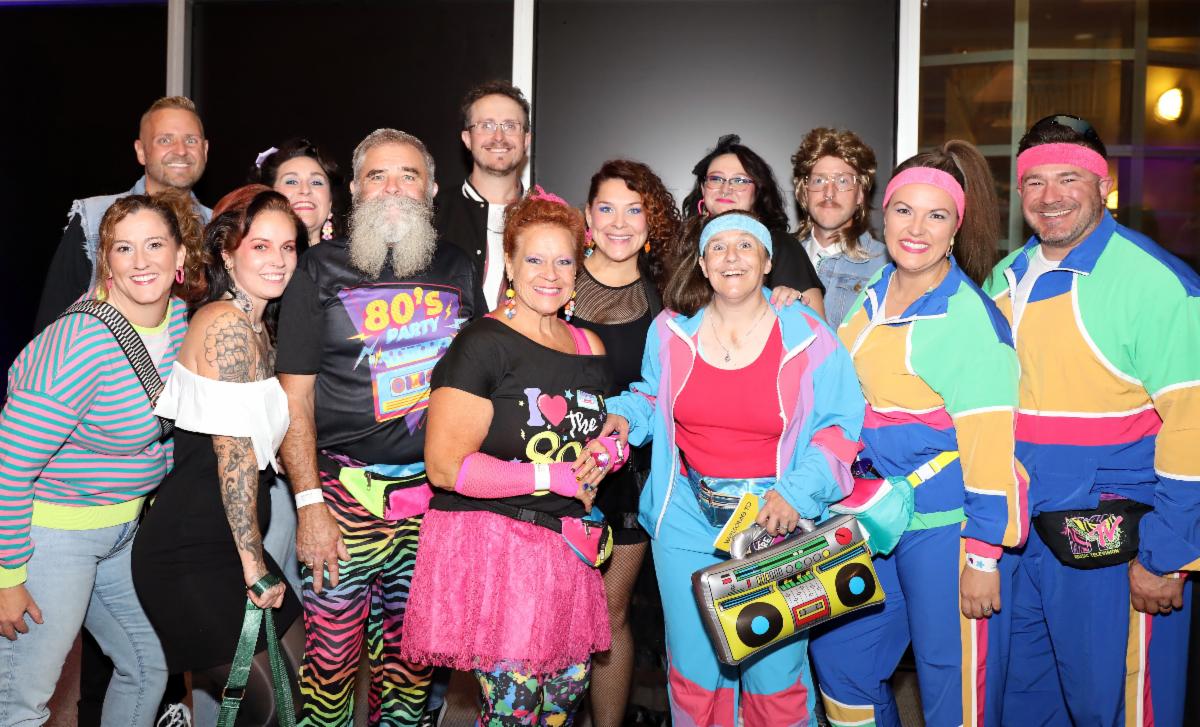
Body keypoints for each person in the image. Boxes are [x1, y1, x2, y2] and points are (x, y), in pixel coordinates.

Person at [602, 210, 864, 726]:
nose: (731, 257)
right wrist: (622, 416)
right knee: (695, 671)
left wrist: (797, 493)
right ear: (702, 264)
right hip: (685, 519)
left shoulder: (807, 334)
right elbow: (652, 396)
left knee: (774, 674)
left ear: (767, 262)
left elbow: (839, 428)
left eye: (746, 245)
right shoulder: (671, 330)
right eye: (718, 247)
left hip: (775, 521)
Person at [983, 115, 1199, 726]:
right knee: (1023, 703)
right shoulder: (1005, 278)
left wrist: (1168, 554)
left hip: (1112, 542)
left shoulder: (1156, 283)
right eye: (1035, 182)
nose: (1050, 196)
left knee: (1120, 706)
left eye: (1069, 178)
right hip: (1020, 540)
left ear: (1104, 186)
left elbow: (1192, 425)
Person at [807, 140, 1026, 727]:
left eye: (936, 215)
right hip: (874, 519)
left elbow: (991, 447)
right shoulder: (874, 292)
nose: (917, 228)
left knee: (954, 686)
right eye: (904, 210)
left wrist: (983, 557)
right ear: (884, 214)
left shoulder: (968, 319)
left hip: (948, 530)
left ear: (955, 227)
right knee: (842, 662)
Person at [276, 127, 483, 726]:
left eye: (407, 175)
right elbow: (294, 399)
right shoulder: (318, 268)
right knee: (331, 663)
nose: (392, 188)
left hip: (433, 500)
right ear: (357, 192)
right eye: (377, 176)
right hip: (341, 496)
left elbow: (479, 384)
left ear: (432, 190)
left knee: (414, 663)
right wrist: (309, 505)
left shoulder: (457, 266)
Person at [402, 189, 618, 726]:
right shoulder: (483, 343)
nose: (550, 274)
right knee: (514, 711)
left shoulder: (588, 346)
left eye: (563, 261)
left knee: (564, 700)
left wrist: (607, 451)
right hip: (499, 550)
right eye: (535, 259)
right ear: (511, 265)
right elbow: (446, 467)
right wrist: (555, 476)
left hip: (567, 552)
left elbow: (588, 432)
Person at [0, 194, 190, 726]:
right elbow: (9, 464)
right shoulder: (79, 343)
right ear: (106, 261)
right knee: (20, 704)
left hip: (124, 532)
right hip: (52, 537)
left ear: (180, 256)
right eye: (123, 249)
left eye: (155, 245)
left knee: (149, 665)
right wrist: (8, 575)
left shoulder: (180, 321)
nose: (141, 261)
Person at [133, 186, 307, 725]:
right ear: (228, 254)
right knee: (272, 709)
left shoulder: (258, 326)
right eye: (261, 246)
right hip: (192, 552)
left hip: (229, 542)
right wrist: (254, 567)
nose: (277, 260)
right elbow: (234, 456)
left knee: (293, 693)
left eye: (288, 246)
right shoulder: (226, 325)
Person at [573, 159, 678, 727]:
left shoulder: (670, 296)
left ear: (649, 220)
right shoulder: (555, 279)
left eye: (633, 210)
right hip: (555, 471)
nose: (619, 222)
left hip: (633, 479)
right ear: (588, 217)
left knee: (610, 615)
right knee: (551, 613)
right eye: (607, 208)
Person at [36, 96, 211, 331]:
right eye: (165, 140)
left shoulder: (220, 226)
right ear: (141, 151)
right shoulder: (95, 217)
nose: (180, 150)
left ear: (205, 149)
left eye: (191, 140)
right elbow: (51, 323)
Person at [678, 133, 826, 318]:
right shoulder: (683, 246)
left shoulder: (780, 245)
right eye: (716, 179)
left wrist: (795, 304)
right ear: (703, 188)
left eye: (739, 180)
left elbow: (816, 330)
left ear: (757, 191)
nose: (726, 189)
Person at [435, 80, 531, 307]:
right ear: (467, 139)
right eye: (486, 125)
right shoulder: (433, 214)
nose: (498, 137)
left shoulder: (549, 216)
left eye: (510, 126)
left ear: (526, 140)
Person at [791, 127, 889, 326]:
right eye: (819, 180)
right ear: (804, 192)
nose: (829, 192)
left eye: (843, 181)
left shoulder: (886, 267)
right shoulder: (777, 258)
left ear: (860, 194)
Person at [252, 138, 344, 245]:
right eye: (291, 182)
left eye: (316, 182)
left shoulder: (349, 254)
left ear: (330, 202)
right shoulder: (247, 254)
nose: (305, 190)